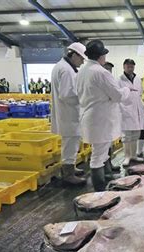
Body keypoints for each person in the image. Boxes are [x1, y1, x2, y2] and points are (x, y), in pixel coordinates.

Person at [77, 39, 131, 192]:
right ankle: (100, 191)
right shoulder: (101, 72)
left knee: (102, 151)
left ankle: (106, 177)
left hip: (90, 116)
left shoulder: (82, 71)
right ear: (101, 56)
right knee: (97, 156)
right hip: (100, 119)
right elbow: (118, 96)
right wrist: (126, 90)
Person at [51, 42, 88, 185]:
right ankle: (68, 174)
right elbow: (67, 95)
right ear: (73, 55)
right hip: (69, 114)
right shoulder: (66, 70)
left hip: (67, 113)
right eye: (81, 58)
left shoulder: (62, 66)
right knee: (70, 144)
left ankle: (70, 167)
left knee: (70, 143)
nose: (82, 61)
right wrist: (84, 96)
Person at [118, 58, 144, 166]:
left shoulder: (138, 79)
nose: (130, 68)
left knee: (136, 134)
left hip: (137, 109)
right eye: (128, 66)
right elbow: (118, 95)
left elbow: (141, 93)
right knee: (126, 135)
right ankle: (127, 156)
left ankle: (134, 155)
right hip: (125, 110)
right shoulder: (119, 80)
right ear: (124, 67)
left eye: (132, 66)